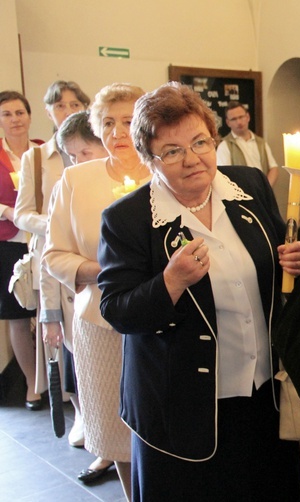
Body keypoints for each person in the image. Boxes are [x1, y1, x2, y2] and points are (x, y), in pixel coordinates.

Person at [96, 82, 300, 501]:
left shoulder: (247, 186)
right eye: (172, 151)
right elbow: (117, 310)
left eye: (200, 142)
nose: (192, 159)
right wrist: (171, 282)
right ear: (148, 159)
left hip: (261, 392)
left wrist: (297, 260)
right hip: (182, 405)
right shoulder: (129, 218)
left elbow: (275, 264)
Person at [43, 83, 150, 500]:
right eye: (107, 122)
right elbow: (54, 254)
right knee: (115, 429)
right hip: (99, 322)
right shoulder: (75, 180)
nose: (118, 132)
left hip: (160, 318)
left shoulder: (165, 173)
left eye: (127, 121)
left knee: (161, 422)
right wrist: (103, 270)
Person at [14, 81, 90, 421]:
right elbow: (21, 214)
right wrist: (56, 223)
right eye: (60, 106)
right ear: (48, 112)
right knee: (66, 339)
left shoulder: (98, 150)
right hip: (55, 257)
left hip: (90, 251)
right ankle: (80, 412)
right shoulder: (35, 158)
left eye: (75, 104)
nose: (68, 111)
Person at [50, 110, 116, 485]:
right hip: (95, 309)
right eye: (71, 157)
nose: (77, 163)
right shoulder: (73, 184)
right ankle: (108, 453)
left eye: (83, 153)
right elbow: (55, 252)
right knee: (105, 406)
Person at [0, 90, 43, 410]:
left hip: (43, 239)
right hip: (10, 242)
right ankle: (31, 383)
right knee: (18, 315)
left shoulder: (43, 151)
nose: (15, 119)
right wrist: (7, 210)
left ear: (29, 116)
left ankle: (53, 378)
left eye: (19, 112)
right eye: (7, 114)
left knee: (48, 312)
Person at [216, 100, 279, 186]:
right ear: (228, 122)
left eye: (241, 117)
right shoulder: (225, 146)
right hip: (241, 195)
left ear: (248, 117)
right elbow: (224, 176)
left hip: (262, 193)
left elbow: (273, 168)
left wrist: (266, 188)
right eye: (234, 119)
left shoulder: (261, 142)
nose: (239, 122)